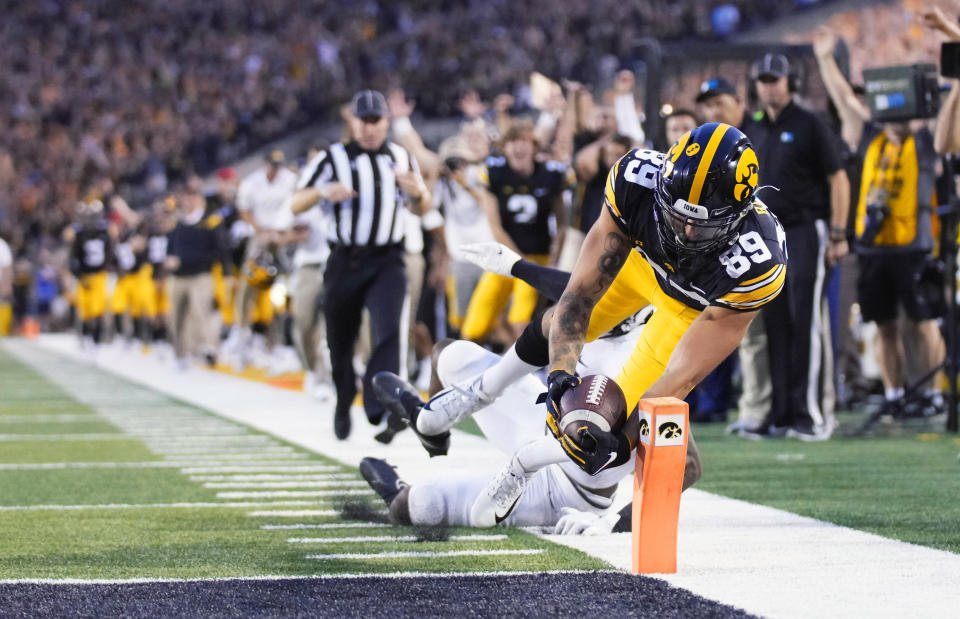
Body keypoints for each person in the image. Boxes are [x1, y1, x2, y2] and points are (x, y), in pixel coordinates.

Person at [409, 123, 786, 519]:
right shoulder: (635, 183)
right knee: (561, 321)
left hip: (690, 307)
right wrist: (559, 374)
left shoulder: (756, 263)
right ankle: (484, 391)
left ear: (736, 217)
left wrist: (621, 448)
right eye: (676, 216)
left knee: (612, 416)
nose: (686, 232)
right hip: (643, 266)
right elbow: (577, 296)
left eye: (702, 224)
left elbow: (680, 379)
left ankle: (535, 467)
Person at [815, 28, 947, 416]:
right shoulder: (871, 134)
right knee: (885, 325)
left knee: (923, 323)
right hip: (874, 247)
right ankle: (894, 395)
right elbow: (844, 101)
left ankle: (932, 392)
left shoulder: (924, 142)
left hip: (915, 245)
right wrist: (825, 59)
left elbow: (946, 125)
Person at [289, 89, 434, 440]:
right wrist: (323, 192)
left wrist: (419, 193)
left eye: (375, 121)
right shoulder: (331, 158)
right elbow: (296, 203)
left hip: (388, 258)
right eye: (363, 121)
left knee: (388, 331)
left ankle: (378, 405)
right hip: (345, 259)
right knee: (340, 337)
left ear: (385, 122)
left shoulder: (401, 156)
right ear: (353, 123)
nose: (369, 128)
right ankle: (343, 398)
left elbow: (422, 209)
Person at [740, 52, 851, 440]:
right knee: (774, 323)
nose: (768, 85)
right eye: (763, 79)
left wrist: (838, 232)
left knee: (805, 320)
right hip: (767, 232)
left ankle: (811, 414)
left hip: (806, 228)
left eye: (775, 79)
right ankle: (782, 412)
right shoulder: (752, 126)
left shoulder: (810, 123)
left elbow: (838, 178)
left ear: (791, 83)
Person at [697, 75, 770, 434]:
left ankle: (759, 408)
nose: (714, 110)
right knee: (723, 327)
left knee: (755, 332)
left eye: (720, 102)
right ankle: (733, 404)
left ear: (740, 103)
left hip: (759, 246)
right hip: (721, 247)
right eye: (708, 105)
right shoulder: (710, 145)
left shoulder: (759, 135)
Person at [459, 120, 571, 343]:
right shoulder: (494, 173)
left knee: (520, 321)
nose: (518, 147)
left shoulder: (551, 175)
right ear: (504, 147)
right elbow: (495, 226)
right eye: (512, 142)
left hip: (537, 257)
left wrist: (553, 260)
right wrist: (517, 261)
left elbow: (562, 225)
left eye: (523, 141)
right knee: (472, 328)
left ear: (534, 146)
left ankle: (526, 370)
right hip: (504, 258)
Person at [229, 150, 298, 369]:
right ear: (264, 164)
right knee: (247, 285)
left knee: (283, 289)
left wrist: (280, 233)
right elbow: (244, 211)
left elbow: (296, 206)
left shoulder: (290, 180)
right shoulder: (252, 182)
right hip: (259, 237)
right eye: (272, 165)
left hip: (283, 238)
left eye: (278, 165)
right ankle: (242, 332)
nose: (275, 170)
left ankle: (277, 342)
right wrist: (260, 230)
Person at [166, 188, 232, 370]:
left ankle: (208, 349)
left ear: (199, 200)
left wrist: (227, 275)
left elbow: (220, 251)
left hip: (200, 275)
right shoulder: (177, 223)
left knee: (201, 312)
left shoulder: (210, 222)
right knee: (177, 317)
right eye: (185, 198)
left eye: (191, 198)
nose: (187, 202)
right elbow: (170, 248)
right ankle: (181, 354)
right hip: (178, 277)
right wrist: (169, 261)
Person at [69, 200, 114, 352]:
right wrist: (79, 275)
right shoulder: (79, 234)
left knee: (99, 309)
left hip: (100, 275)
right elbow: (73, 257)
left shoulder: (105, 232)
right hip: (85, 276)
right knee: (85, 309)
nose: (92, 221)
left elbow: (110, 254)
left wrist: (109, 269)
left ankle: (97, 339)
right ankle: (86, 336)